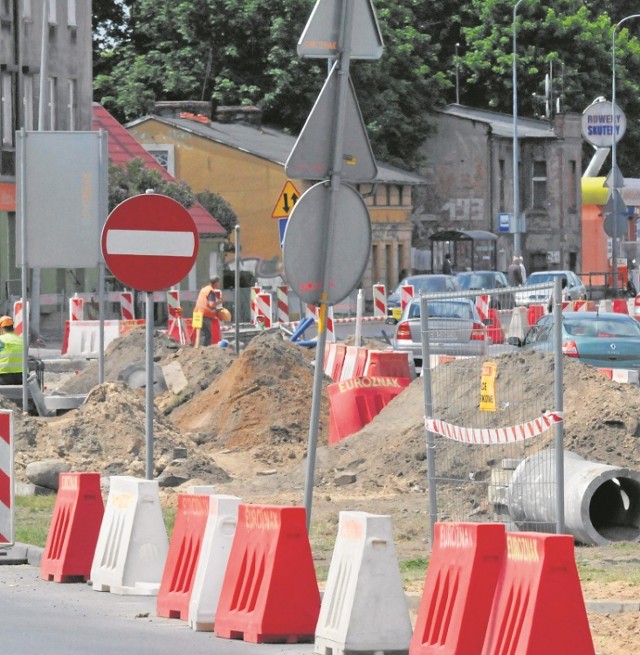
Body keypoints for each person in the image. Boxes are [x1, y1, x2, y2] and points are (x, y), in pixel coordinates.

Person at [194, 276, 222, 346]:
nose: (219, 284)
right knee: (207, 335)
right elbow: (211, 304)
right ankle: (204, 351)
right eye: (218, 283)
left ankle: (198, 348)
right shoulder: (211, 291)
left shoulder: (204, 289)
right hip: (205, 315)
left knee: (201, 334)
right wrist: (220, 301)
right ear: (216, 283)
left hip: (197, 313)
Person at [0, 315, 23, 384]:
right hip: (22, 377)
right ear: (13, 328)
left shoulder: (1, 340)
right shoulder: (21, 340)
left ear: (1, 329)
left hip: (3, 377)